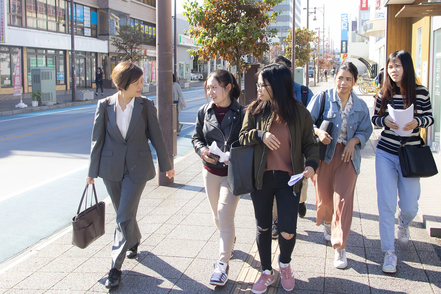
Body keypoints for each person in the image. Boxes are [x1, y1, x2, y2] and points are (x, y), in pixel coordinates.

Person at [86, 62, 174, 289]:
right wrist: (91, 172)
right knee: (122, 212)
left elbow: (157, 137)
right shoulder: (104, 106)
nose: (141, 86)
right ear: (123, 84)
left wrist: (167, 165)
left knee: (123, 215)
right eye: (137, 83)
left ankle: (115, 268)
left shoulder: (145, 105)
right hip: (110, 169)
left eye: (142, 82)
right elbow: (97, 140)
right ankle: (133, 240)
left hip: (137, 169)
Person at [239, 64, 319, 293]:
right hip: (260, 179)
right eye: (258, 84)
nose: (259, 88)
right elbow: (243, 138)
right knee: (263, 227)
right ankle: (266, 271)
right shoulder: (254, 110)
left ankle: (284, 264)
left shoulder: (300, 113)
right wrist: (260, 135)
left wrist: (312, 165)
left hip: (289, 180)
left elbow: (309, 144)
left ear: (278, 85)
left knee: (287, 229)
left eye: (264, 84)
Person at [371, 50, 434, 274]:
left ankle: (404, 223)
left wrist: (417, 121)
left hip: (411, 154)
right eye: (390, 67)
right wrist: (384, 120)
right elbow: (375, 119)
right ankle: (389, 253)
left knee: (409, 206)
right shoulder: (383, 93)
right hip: (386, 153)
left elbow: (430, 117)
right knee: (386, 204)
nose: (393, 70)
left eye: (397, 66)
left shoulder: (421, 92)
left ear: (406, 67)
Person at [307, 61, 372, 269]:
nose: (343, 82)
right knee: (325, 201)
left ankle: (340, 247)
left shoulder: (360, 106)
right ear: (335, 77)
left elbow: (366, 130)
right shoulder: (323, 98)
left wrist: (354, 141)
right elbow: (306, 121)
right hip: (325, 154)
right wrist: (317, 132)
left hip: (348, 156)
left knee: (343, 200)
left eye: (348, 79)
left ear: (354, 82)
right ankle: (327, 222)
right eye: (340, 77)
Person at [191, 69, 243, 287]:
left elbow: (248, 142)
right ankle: (229, 241)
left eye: (214, 87)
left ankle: (222, 265)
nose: (210, 92)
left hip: (232, 174)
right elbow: (197, 137)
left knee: (224, 213)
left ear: (228, 87)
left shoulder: (242, 112)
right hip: (210, 172)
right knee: (217, 216)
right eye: (208, 87)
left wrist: (235, 155)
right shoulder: (205, 111)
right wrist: (202, 151)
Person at [273, 56, 313, 230]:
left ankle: (300, 201)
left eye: (285, 71)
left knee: (301, 180)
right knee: (274, 185)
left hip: (298, 150)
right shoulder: (269, 95)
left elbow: (312, 120)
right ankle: (275, 220)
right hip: (276, 151)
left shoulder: (303, 92)